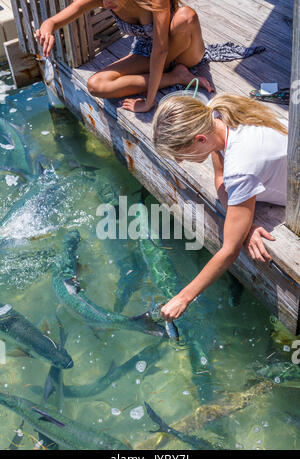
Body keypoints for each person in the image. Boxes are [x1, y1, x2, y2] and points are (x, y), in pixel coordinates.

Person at [152, 93, 288, 321]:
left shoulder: (242, 166)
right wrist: (247, 222)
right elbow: (220, 177)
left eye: (180, 154)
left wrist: (183, 298)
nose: (180, 161)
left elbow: (230, 250)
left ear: (200, 139)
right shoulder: (215, 115)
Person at [35, 0, 213, 113]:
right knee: (96, 85)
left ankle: (174, 71)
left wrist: (148, 102)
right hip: (147, 51)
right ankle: (175, 77)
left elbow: (161, 49)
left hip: (183, 48)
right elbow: (70, 11)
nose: (105, 4)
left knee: (185, 16)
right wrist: (48, 26)